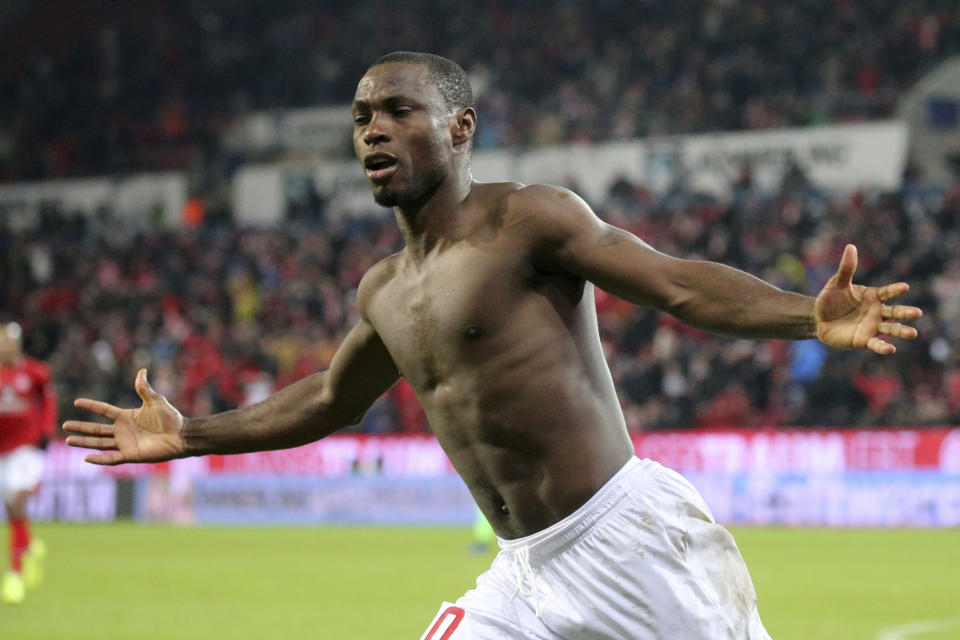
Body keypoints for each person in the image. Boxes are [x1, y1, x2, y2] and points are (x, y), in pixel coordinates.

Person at [64, 52, 922, 638]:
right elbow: (327, 400)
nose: (374, 130)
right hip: (524, 573)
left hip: (628, 542)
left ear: (461, 127)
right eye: (363, 116)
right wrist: (190, 435)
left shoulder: (528, 220)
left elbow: (675, 283)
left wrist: (804, 316)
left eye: (400, 111)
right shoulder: (384, 289)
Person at [0, 321, 55, 605]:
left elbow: (48, 400)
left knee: (17, 498)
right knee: (12, 506)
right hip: (2, 452)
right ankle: (28, 543)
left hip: (27, 449)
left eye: (9, 341)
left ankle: (14, 574)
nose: (5, 346)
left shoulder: (34, 372)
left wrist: (46, 430)